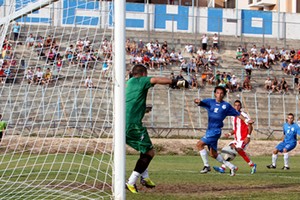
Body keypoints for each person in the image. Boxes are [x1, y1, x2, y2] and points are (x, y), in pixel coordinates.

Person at [125, 64, 184, 193]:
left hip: (125, 123)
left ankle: (145, 178)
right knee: (150, 152)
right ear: (144, 74)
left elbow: (132, 102)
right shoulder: (140, 80)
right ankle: (130, 182)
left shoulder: (129, 83)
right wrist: (175, 81)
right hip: (132, 125)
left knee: (145, 150)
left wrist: (143, 109)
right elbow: (156, 80)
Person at [194, 86, 254, 176]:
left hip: (215, 131)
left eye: (221, 93)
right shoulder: (210, 102)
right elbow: (199, 102)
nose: (219, 95)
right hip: (209, 130)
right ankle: (232, 166)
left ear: (224, 95)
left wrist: (246, 120)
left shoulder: (226, 106)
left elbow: (237, 114)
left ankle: (206, 166)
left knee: (199, 144)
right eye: (217, 93)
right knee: (213, 154)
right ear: (215, 94)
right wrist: (197, 101)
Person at [213, 100, 257, 174]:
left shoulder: (243, 115)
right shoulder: (233, 116)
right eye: (235, 105)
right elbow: (235, 129)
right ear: (233, 106)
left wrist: (248, 136)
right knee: (228, 151)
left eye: (238, 105)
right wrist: (229, 134)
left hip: (243, 139)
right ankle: (223, 168)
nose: (237, 106)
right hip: (236, 139)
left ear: (241, 107)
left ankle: (252, 165)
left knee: (239, 150)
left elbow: (250, 125)